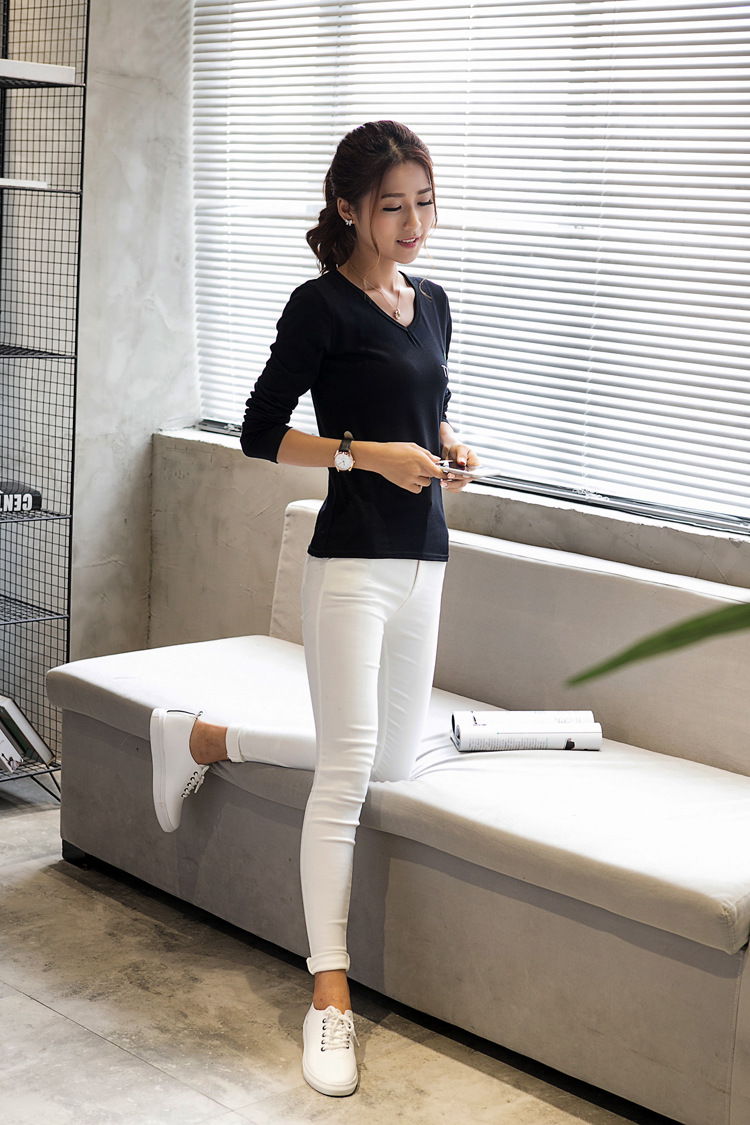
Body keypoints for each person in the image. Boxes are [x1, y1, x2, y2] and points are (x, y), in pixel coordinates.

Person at [148, 120, 479, 1098]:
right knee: (345, 776)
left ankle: (203, 739)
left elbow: (422, 404)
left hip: (425, 563)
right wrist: (366, 456)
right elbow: (260, 433)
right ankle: (329, 994)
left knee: (385, 760)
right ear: (347, 209)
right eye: (393, 206)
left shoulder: (433, 301)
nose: (414, 223)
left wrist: (449, 446)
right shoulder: (320, 306)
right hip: (350, 569)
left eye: (425, 202)